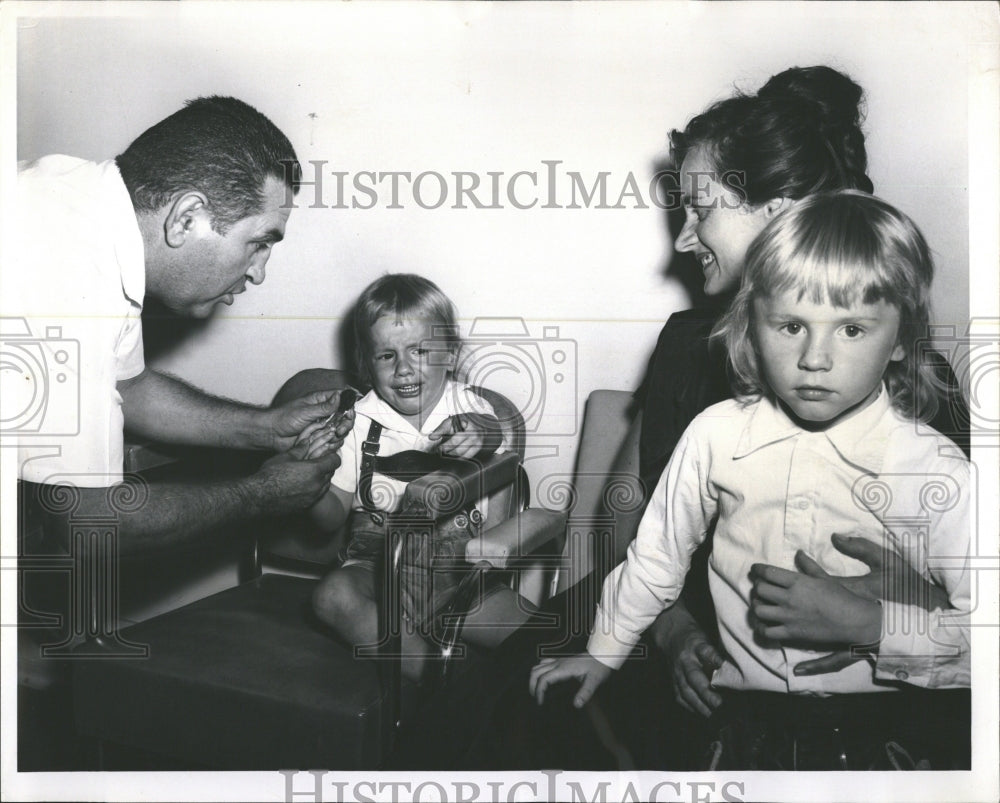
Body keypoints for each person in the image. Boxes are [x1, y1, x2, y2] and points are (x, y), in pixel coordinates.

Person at [387, 65, 969, 771]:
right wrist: (670, 631)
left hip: (863, 688)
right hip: (668, 624)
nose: (684, 239)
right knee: (507, 706)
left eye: (702, 210)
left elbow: (959, 587)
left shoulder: (911, 384)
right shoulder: (688, 347)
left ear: (781, 213)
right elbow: (628, 529)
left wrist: (879, 616)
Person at [530, 190, 971, 770]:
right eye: (790, 325)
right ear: (750, 327)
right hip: (741, 732)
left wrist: (874, 626)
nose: (815, 357)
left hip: (888, 737)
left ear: (900, 341)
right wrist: (602, 654)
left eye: (852, 330)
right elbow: (656, 556)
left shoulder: (937, 470)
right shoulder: (716, 435)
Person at [10, 96, 350, 556]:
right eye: (258, 243)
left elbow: (128, 388)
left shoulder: (83, 202)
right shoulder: (69, 274)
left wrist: (266, 428)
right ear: (187, 218)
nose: (258, 272)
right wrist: (261, 493)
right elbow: (85, 524)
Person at [307, 274, 536, 681]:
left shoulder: (466, 405)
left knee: (547, 635)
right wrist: (310, 478)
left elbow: (491, 427)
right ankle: (440, 680)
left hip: (460, 577)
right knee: (331, 595)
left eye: (421, 350)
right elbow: (329, 519)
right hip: (377, 569)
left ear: (450, 355)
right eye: (386, 356)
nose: (404, 368)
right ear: (367, 363)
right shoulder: (357, 421)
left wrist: (479, 435)